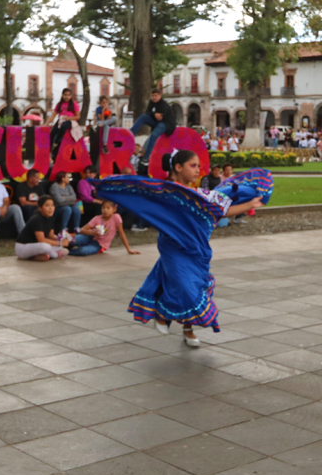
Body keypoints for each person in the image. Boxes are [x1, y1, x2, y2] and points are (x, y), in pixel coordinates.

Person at [93, 151, 268, 346]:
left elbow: (220, 211)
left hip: (197, 247)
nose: (198, 170)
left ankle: (187, 329)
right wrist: (108, 190)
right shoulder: (166, 192)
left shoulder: (200, 196)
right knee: (185, 286)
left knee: (192, 284)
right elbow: (142, 198)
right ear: (178, 167)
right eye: (192, 165)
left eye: (199, 166)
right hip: (173, 244)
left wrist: (250, 203)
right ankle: (161, 314)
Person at [69, 199, 139, 256]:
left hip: (99, 245)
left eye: (108, 208)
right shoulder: (97, 218)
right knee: (71, 240)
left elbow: (121, 233)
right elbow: (82, 230)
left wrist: (128, 250)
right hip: (89, 237)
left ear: (114, 209)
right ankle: (63, 247)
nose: (105, 210)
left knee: (82, 251)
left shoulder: (116, 217)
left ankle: (68, 251)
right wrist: (92, 232)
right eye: (103, 208)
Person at [15, 195, 70, 261]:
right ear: (40, 208)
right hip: (23, 247)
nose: (51, 208)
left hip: (36, 246)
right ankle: (53, 255)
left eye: (52, 205)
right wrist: (60, 243)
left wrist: (61, 239)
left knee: (64, 249)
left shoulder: (51, 218)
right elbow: (41, 240)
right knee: (46, 247)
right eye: (47, 206)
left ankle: (41, 255)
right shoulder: (37, 219)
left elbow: (51, 235)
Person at [130, 88, 177, 164]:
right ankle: (130, 134)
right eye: (153, 96)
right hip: (157, 121)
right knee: (143, 117)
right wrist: (154, 114)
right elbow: (148, 112)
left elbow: (161, 117)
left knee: (154, 135)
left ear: (160, 96)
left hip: (166, 123)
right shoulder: (151, 103)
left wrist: (154, 114)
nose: (154, 97)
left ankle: (146, 158)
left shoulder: (164, 105)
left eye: (156, 96)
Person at [50, 89, 79, 153]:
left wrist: (69, 118)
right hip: (61, 119)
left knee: (64, 126)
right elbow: (53, 116)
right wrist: (46, 124)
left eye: (69, 95)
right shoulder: (59, 104)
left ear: (71, 96)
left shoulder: (74, 104)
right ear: (62, 95)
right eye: (65, 95)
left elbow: (78, 116)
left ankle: (56, 142)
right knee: (52, 132)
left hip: (70, 121)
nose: (67, 97)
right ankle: (50, 150)